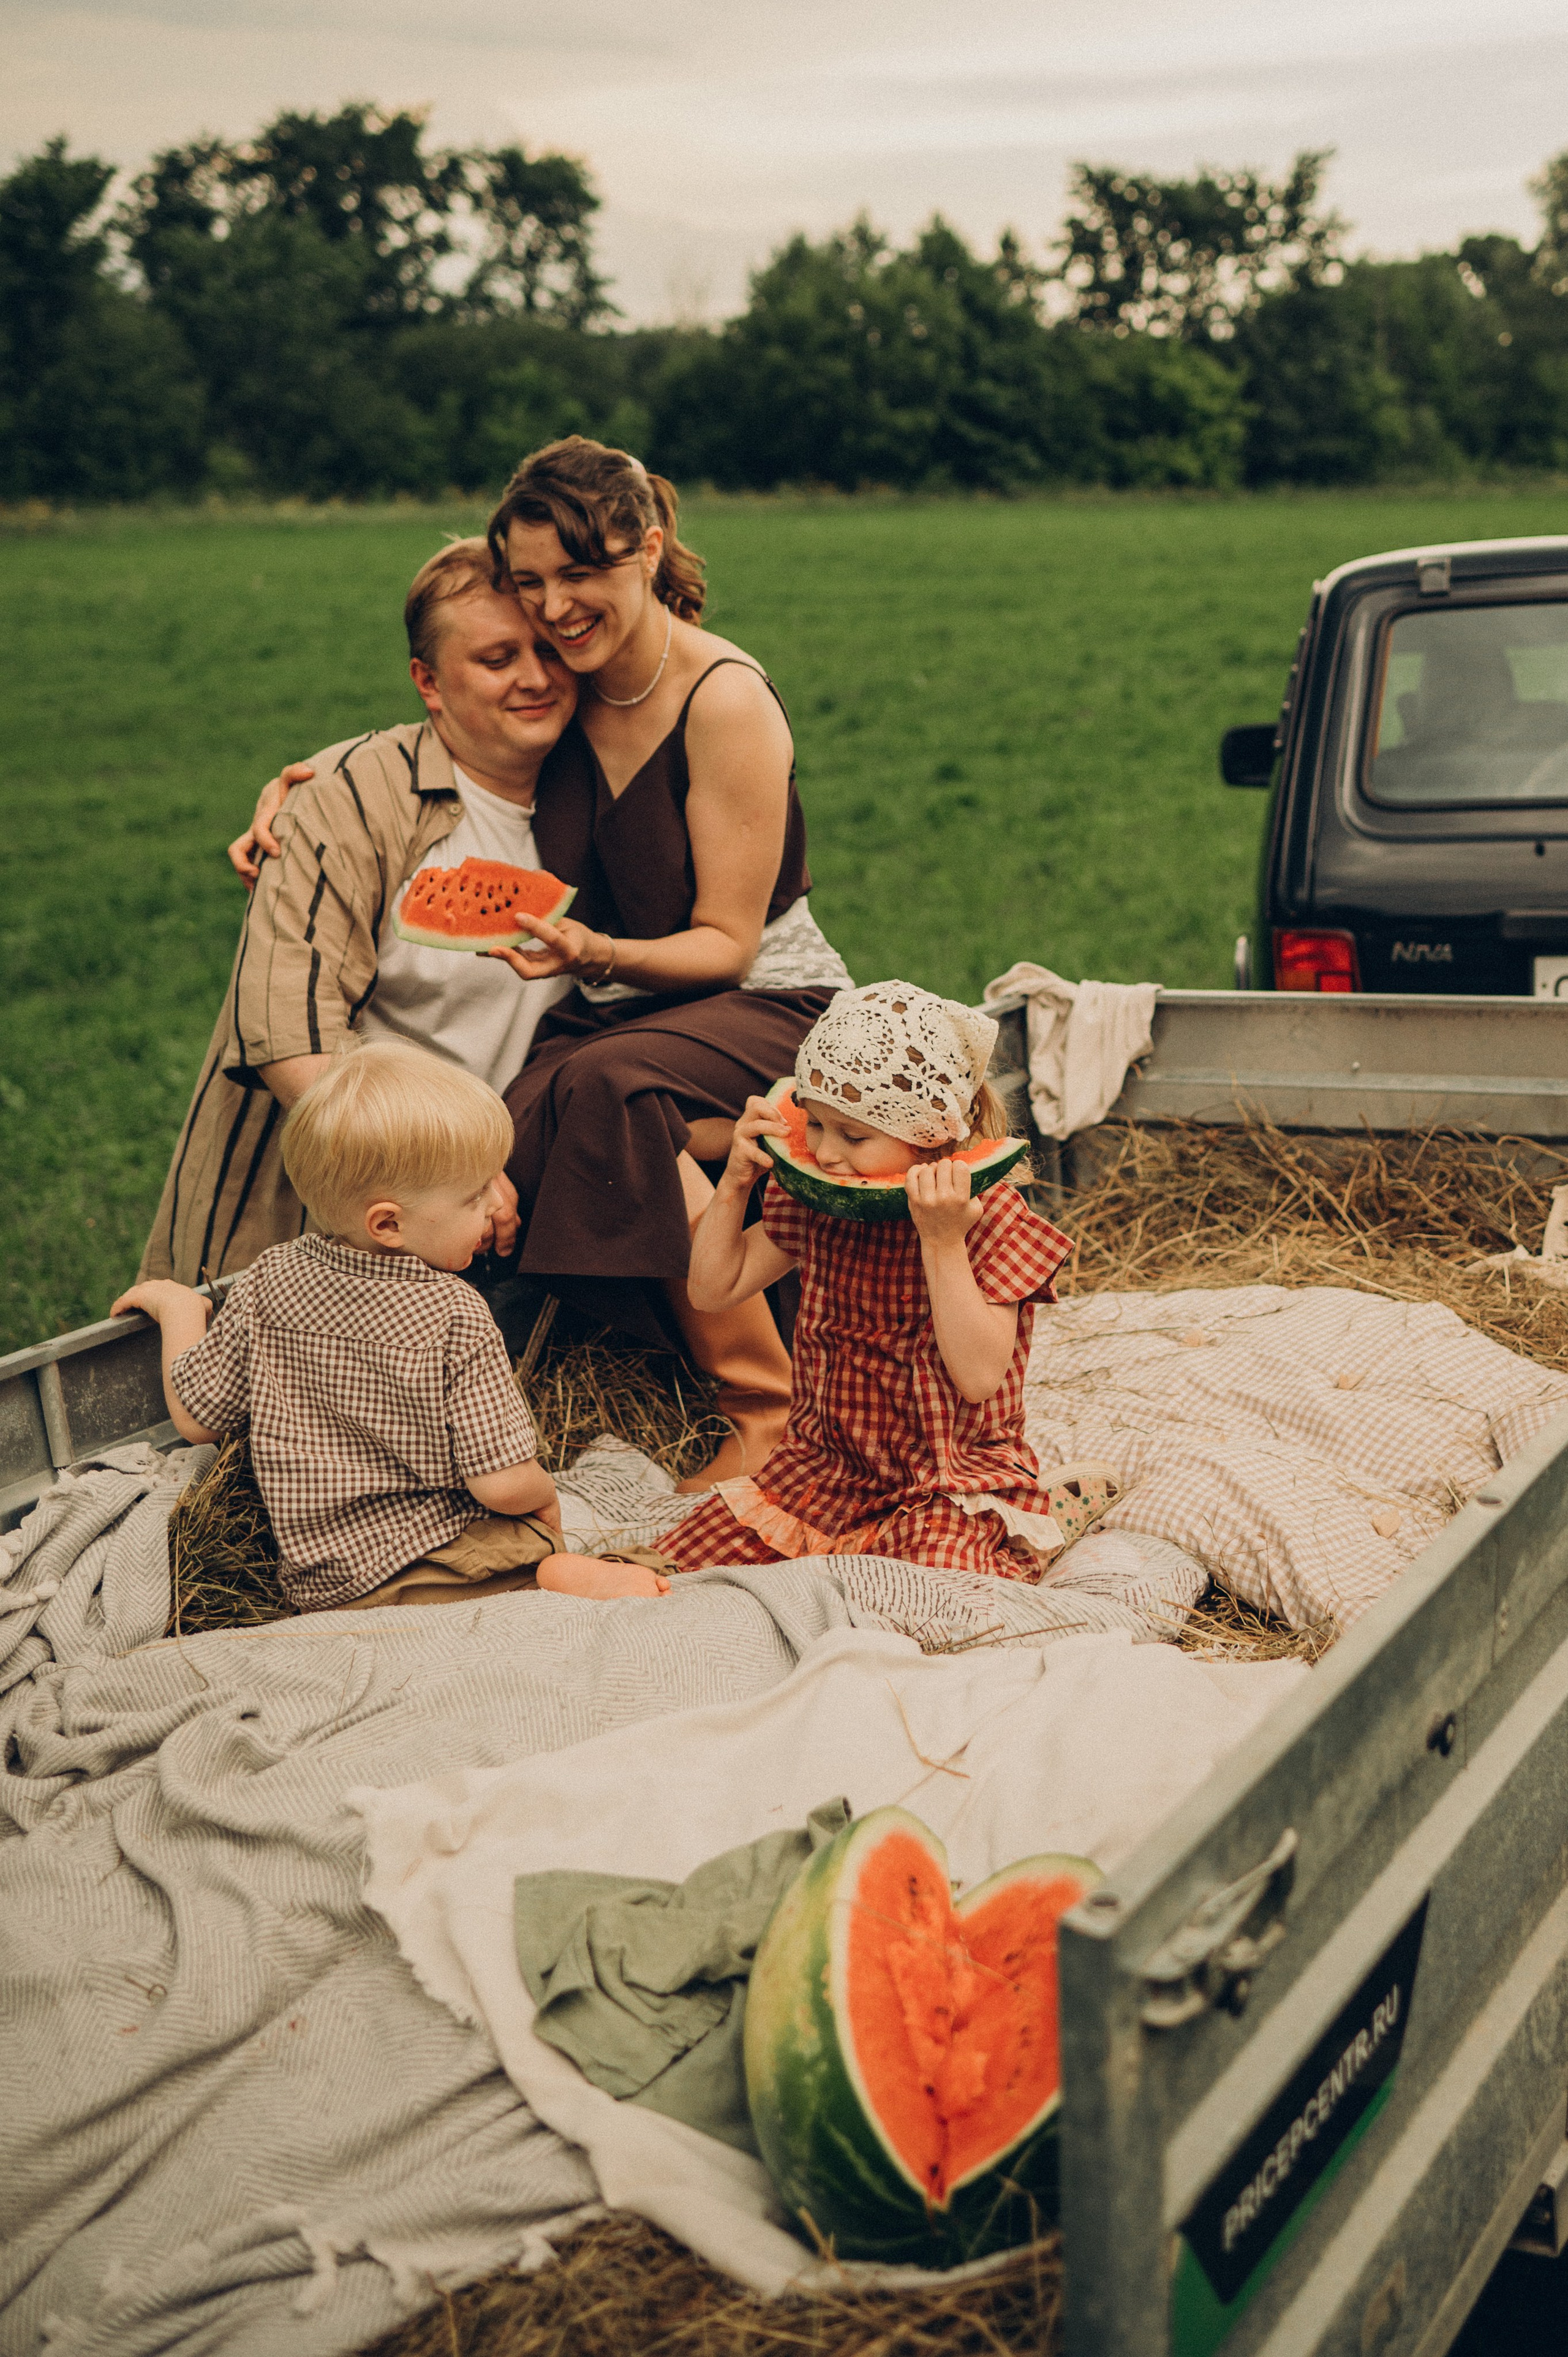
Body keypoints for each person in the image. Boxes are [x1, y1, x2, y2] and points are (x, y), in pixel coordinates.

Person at [225, 439, 853, 1490]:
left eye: (582, 574)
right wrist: (307, 788)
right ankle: (464, 1413)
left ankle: (767, 1410)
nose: (554, 608)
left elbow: (727, 943)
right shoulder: (569, 686)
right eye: (531, 582)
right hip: (623, 1012)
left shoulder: (722, 697)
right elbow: (444, 724)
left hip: (756, 997)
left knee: (608, 1093)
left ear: (648, 548)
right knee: (501, 1135)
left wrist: (590, 950)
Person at [140, 535, 584, 1289]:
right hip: (343, 1218)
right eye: (497, 658)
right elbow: (291, 1039)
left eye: (549, 649)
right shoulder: (345, 799)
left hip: (508, 1215)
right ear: (429, 681)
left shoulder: (606, 791)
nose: (536, 678)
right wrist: (459, 1175)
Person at [115, 1043, 670, 1611]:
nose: (491, 1208)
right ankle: (554, 1576)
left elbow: (196, 1419)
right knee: (566, 1560)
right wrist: (546, 1501)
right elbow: (500, 1483)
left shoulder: (268, 1279)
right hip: (459, 1563)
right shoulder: (455, 1314)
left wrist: (181, 1310)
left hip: (330, 1590)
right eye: (474, 1195)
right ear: (389, 1224)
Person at [663, 983, 1079, 1580]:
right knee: (686, 1560)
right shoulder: (817, 1200)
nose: (827, 1153)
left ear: (930, 1135)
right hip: (819, 1471)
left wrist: (940, 1241)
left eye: (854, 1136)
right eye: (815, 1125)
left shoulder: (990, 1217)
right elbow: (713, 1289)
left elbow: (980, 1375)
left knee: (929, 1591)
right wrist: (733, 1183)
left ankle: (1043, 1515)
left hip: (943, 1478)